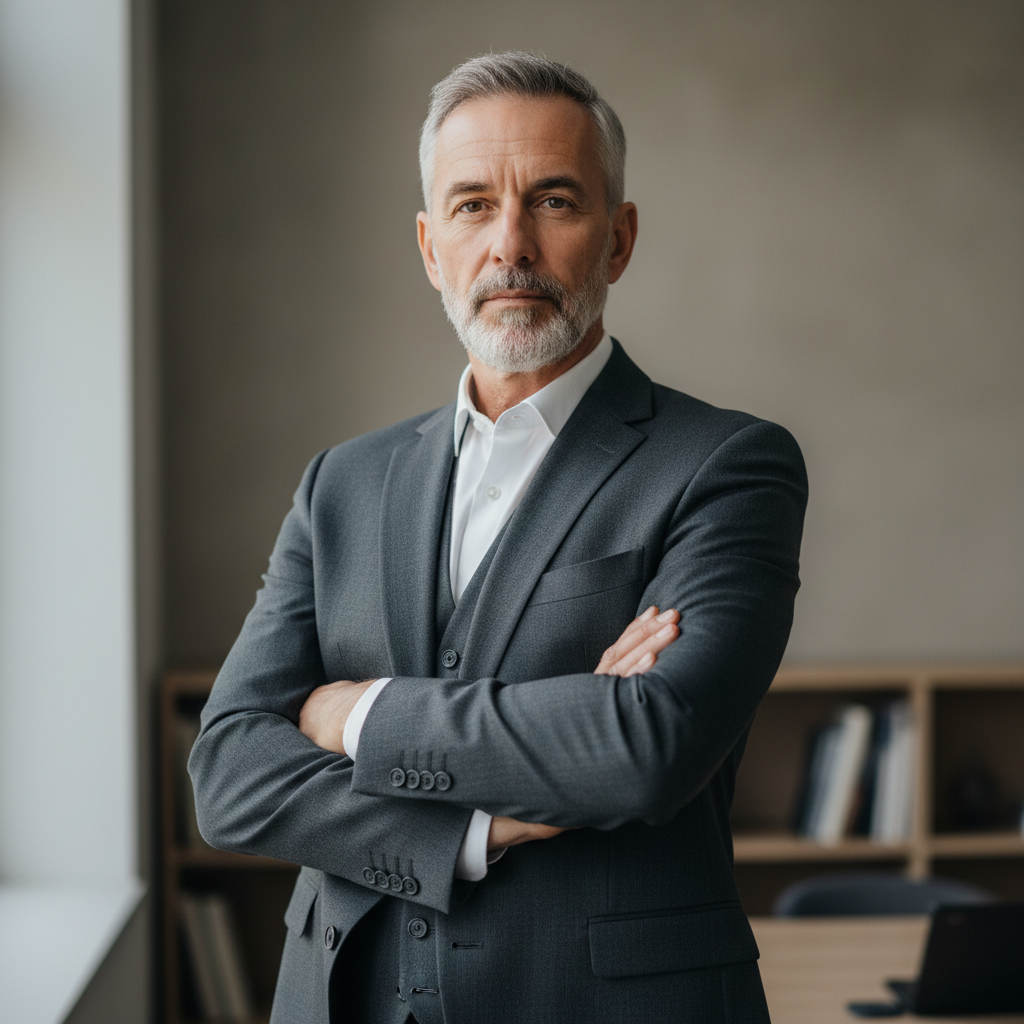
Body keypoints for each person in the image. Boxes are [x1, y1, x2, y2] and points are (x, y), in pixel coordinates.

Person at [190, 51, 807, 1024]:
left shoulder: (726, 465)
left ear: (618, 238)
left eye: (554, 200)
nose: (509, 244)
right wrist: (477, 827)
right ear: (432, 248)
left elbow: (646, 744)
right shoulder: (341, 483)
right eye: (473, 205)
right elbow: (227, 772)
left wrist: (354, 715)